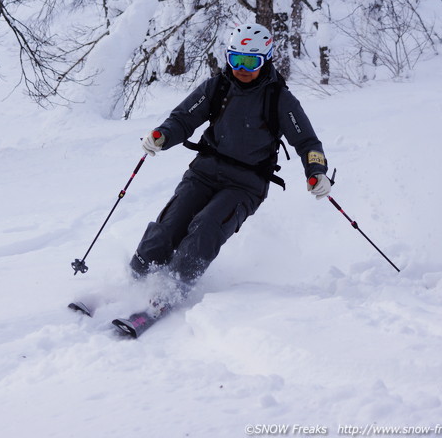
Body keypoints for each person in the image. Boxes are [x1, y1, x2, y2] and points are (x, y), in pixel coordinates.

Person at [130, 22, 331, 307]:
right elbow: (183, 118)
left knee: (206, 227)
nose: (242, 68)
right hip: (204, 172)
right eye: (236, 59)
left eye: (251, 61)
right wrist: (162, 135)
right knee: (169, 226)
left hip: (245, 184)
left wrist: (317, 171)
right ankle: (136, 279)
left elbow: (308, 142)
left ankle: (172, 290)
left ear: (266, 60)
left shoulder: (280, 99)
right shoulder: (218, 86)